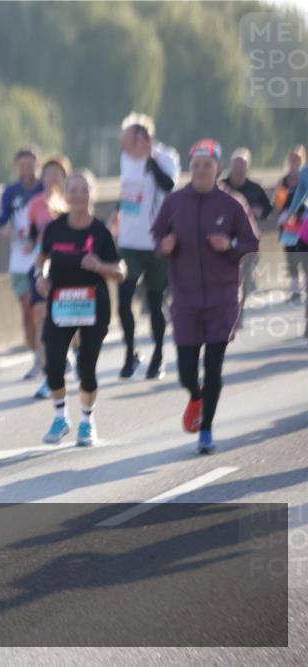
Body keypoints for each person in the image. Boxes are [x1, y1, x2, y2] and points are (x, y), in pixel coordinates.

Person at [152, 139, 259, 454]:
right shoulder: (174, 202)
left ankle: (207, 431)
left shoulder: (232, 204)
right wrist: (164, 246)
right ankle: (196, 397)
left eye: (207, 166)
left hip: (221, 299)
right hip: (184, 298)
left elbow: (251, 243)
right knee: (187, 370)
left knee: (213, 367)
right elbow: (157, 235)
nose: (200, 171)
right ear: (190, 168)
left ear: (218, 169)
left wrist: (230, 247)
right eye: (196, 165)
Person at [34, 171, 126, 446]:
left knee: (87, 365)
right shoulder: (55, 228)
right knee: (53, 363)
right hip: (61, 303)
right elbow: (42, 258)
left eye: (83, 190)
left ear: (91, 195)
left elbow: (121, 271)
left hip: (93, 305)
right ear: (65, 195)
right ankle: (61, 417)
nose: (78, 195)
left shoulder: (99, 231)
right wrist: (41, 276)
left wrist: (99, 266)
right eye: (72, 190)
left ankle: (87, 421)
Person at [112, 113, 180, 380]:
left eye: (127, 140)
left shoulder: (166, 157)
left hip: (156, 242)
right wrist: (117, 212)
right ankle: (130, 355)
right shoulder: (125, 159)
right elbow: (127, 191)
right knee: (124, 302)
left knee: (155, 302)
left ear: (142, 139)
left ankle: (158, 356)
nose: (123, 145)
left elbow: (170, 186)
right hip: (128, 242)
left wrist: (151, 159)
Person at [0, 146, 44, 380]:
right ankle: (37, 353)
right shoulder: (10, 192)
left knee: (40, 309)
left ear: (38, 164)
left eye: (30, 165)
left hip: (41, 258)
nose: (26, 170)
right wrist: (2, 230)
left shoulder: (46, 189)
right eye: (22, 166)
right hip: (18, 259)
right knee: (27, 313)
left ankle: (48, 357)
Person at [26, 154, 72, 399]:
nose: (52, 177)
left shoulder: (73, 200)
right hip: (42, 266)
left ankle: (65, 357)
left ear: (65, 178)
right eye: (48, 173)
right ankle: (49, 375)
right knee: (41, 319)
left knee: (63, 321)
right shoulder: (36, 204)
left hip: (67, 268)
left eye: (57, 173)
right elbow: (31, 235)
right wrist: (29, 243)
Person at [219, 147, 270, 328]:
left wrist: (260, 211)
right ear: (230, 165)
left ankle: (237, 313)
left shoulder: (255, 189)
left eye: (243, 164)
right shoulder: (221, 186)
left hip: (245, 241)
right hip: (222, 241)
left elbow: (268, 210)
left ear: (248, 167)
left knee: (241, 278)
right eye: (236, 163)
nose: (239, 167)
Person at [274, 145, 306, 303]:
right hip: (288, 225)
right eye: (291, 158)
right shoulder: (284, 181)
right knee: (291, 257)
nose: (293, 161)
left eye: (297, 158)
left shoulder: (305, 177)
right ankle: (295, 291)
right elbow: (279, 203)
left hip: (304, 223)